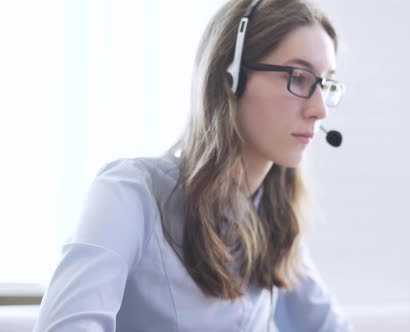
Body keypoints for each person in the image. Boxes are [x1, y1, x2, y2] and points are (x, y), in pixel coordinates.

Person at [34, 0, 352, 331]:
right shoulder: (130, 194)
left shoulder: (275, 222)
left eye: (325, 83)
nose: (320, 110)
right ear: (231, 78)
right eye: (298, 78)